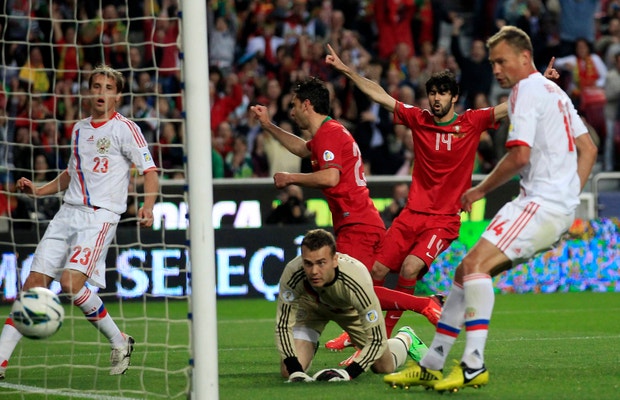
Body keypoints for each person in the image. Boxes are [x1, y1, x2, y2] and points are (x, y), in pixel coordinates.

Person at [384, 25, 597, 392]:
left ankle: (472, 365)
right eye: (492, 62)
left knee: (474, 268)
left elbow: (520, 156)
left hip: (540, 204)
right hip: (549, 205)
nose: (495, 69)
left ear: (524, 57)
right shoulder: (555, 92)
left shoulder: (526, 90)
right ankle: (432, 364)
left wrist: (479, 190)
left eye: (502, 61)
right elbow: (589, 148)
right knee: (464, 272)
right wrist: (569, 198)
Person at [325, 44, 508, 345]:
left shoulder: (471, 122)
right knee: (376, 269)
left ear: (454, 97)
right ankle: (357, 331)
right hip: (411, 214)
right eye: (432, 93)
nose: (436, 98)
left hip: (443, 220)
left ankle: (382, 337)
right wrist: (347, 70)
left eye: (442, 93)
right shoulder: (418, 119)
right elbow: (380, 95)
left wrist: (541, 83)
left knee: (410, 267)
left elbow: (508, 106)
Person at [251, 77, 442, 351]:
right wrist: (268, 125)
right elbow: (300, 148)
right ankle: (364, 337)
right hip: (361, 220)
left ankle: (424, 304)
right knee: (359, 291)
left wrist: (291, 178)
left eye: (294, 105)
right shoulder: (327, 134)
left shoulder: (328, 134)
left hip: (357, 223)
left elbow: (330, 177)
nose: (291, 112)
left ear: (307, 105)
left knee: (354, 289)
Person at [0, 64, 160, 379]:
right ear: (89, 92)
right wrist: (38, 190)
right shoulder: (79, 129)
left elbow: (150, 171)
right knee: (32, 286)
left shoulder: (125, 129)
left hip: (100, 216)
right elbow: (71, 173)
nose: (101, 93)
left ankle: (119, 341)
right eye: (97, 86)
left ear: (118, 96)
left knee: (71, 284)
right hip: (67, 213)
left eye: (108, 88)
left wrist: (148, 206)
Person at [276, 228, 427, 382]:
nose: (314, 271)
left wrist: (348, 373)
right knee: (288, 370)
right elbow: (283, 325)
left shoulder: (357, 279)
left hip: (349, 311)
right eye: (308, 263)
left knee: (384, 367)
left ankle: (405, 338)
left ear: (335, 260)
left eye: (321, 263)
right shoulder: (293, 272)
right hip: (311, 307)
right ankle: (309, 345)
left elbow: (377, 339)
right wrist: (295, 370)